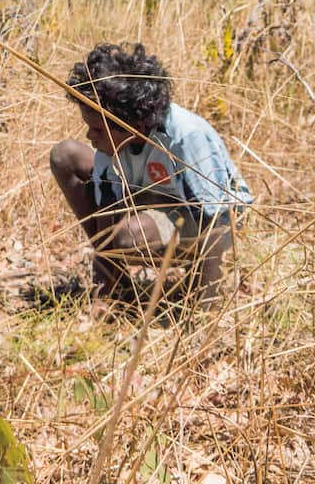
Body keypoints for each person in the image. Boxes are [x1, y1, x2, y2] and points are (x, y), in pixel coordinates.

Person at [49, 42, 252, 303]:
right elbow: (106, 212)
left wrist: (205, 306)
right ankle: (121, 290)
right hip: (152, 197)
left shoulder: (185, 138)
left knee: (131, 235)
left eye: (98, 130)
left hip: (211, 223)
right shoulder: (113, 145)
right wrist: (106, 291)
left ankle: (200, 281)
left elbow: (217, 222)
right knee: (65, 154)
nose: (90, 136)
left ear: (134, 124)